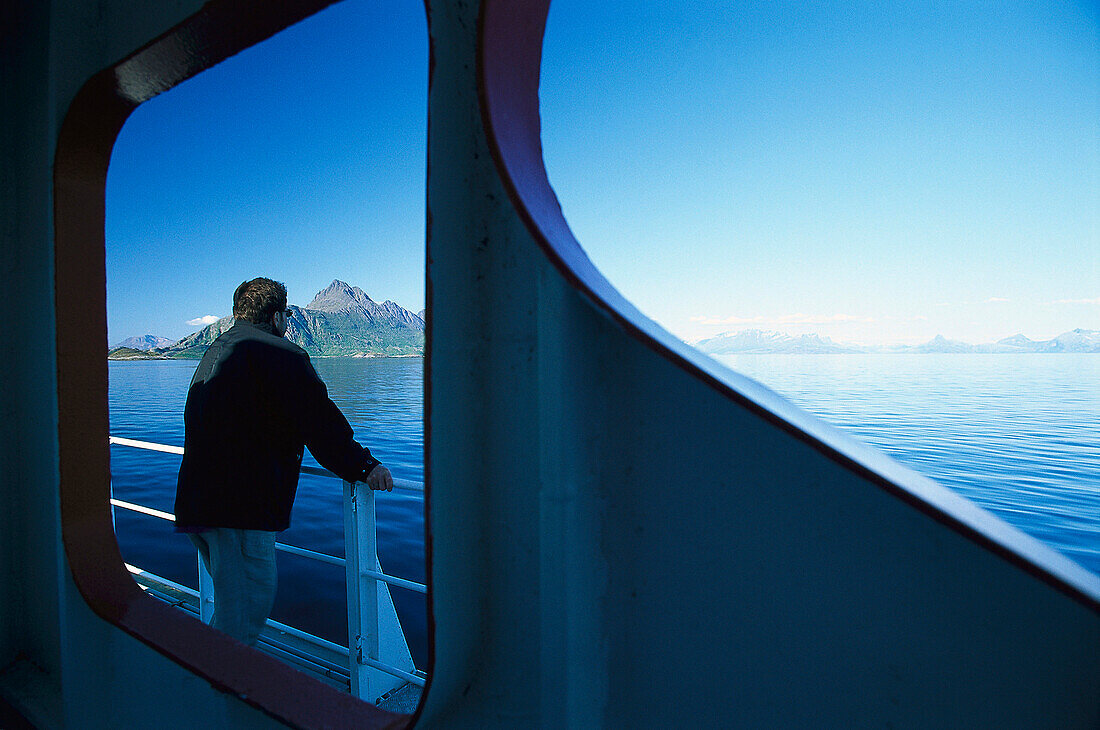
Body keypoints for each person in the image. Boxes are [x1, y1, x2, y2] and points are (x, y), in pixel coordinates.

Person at [174, 277, 393, 646]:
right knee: (242, 616)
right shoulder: (282, 354)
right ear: (277, 317)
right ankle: (213, 694)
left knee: (232, 606)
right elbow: (320, 425)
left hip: (197, 503)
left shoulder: (215, 351)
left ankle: (210, 679)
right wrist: (365, 466)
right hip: (238, 511)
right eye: (288, 314)